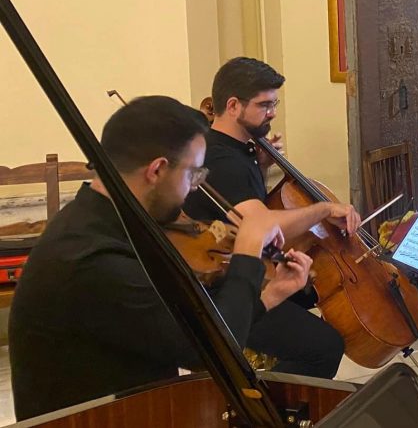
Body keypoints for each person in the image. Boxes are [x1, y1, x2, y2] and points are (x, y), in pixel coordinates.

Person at [9, 96, 318, 420]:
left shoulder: (113, 222)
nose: (194, 189)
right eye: (193, 175)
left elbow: (203, 332)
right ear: (156, 170)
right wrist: (247, 250)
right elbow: (203, 351)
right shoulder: (88, 258)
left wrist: (271, 295)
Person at [182, 57, 352, 377]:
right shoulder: (222, 159)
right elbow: (262, 224)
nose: (272, 112)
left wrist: (261, 166)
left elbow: (244, 202)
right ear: (233, 106)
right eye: (265, 105)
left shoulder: (240, 148)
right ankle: (262, 407)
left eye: (274, 103)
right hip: (224, 288)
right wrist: (325, 208)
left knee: (310, 290)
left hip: (251, 269)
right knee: (325, 347)